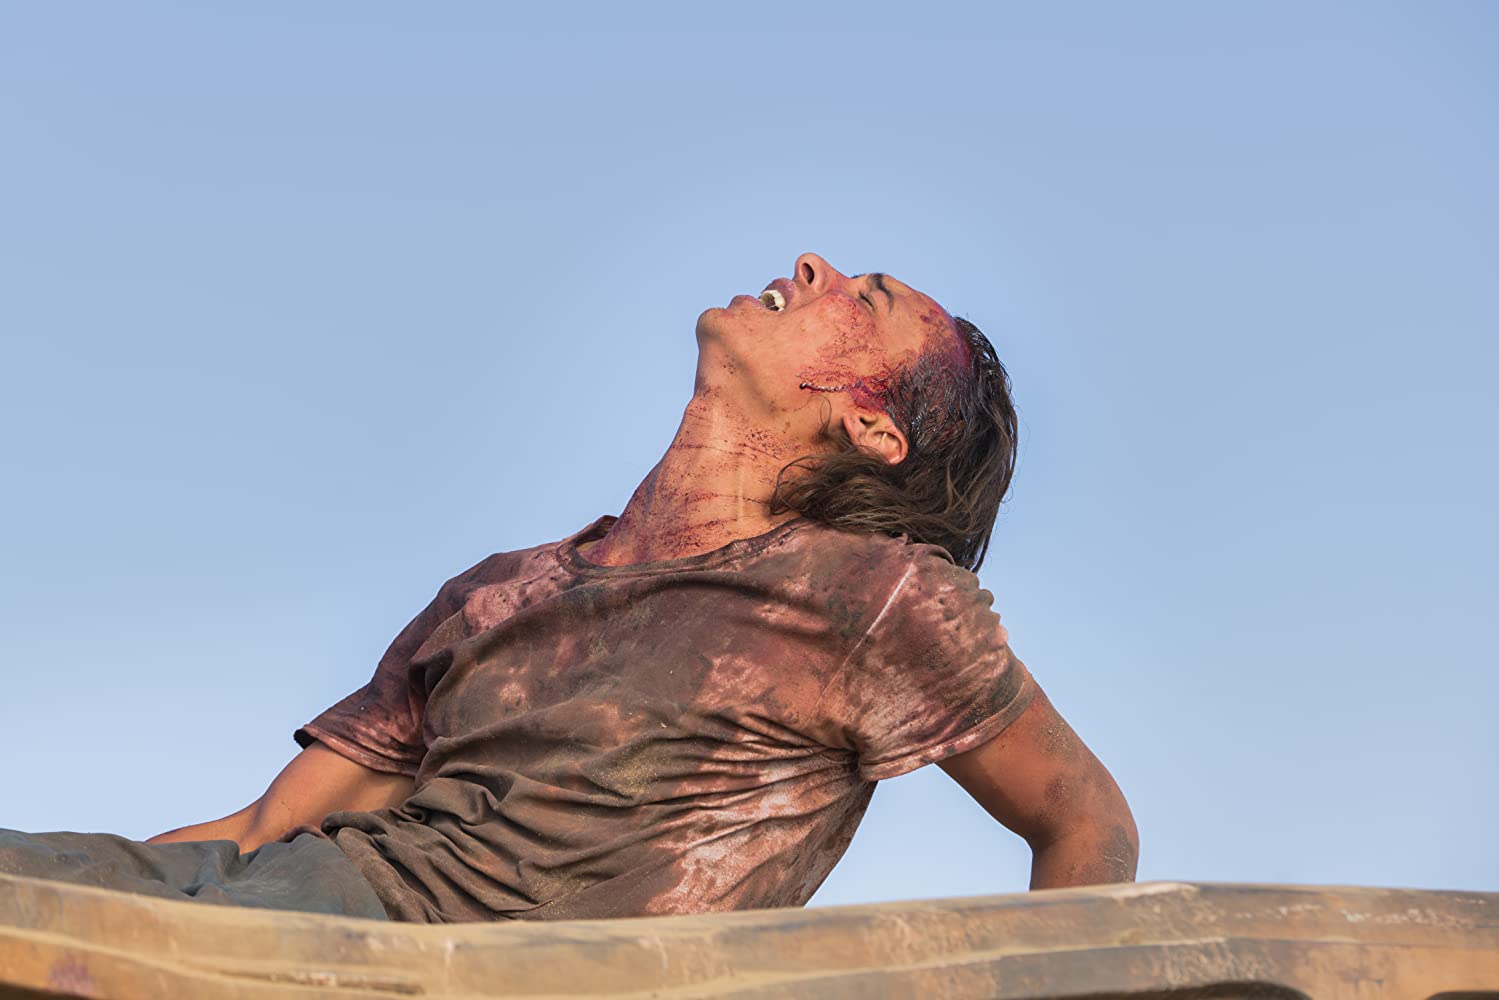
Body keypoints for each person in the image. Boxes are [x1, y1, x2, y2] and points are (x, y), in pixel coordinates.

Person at [1, 253, 1138, 923]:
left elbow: (1085, 821)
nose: (810, 268)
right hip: (291, 907)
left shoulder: (873, 598)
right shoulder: (498, 591)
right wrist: (100, 905)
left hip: (421, 952)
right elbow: (261, 831)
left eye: (865, 296)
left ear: (871, 426)